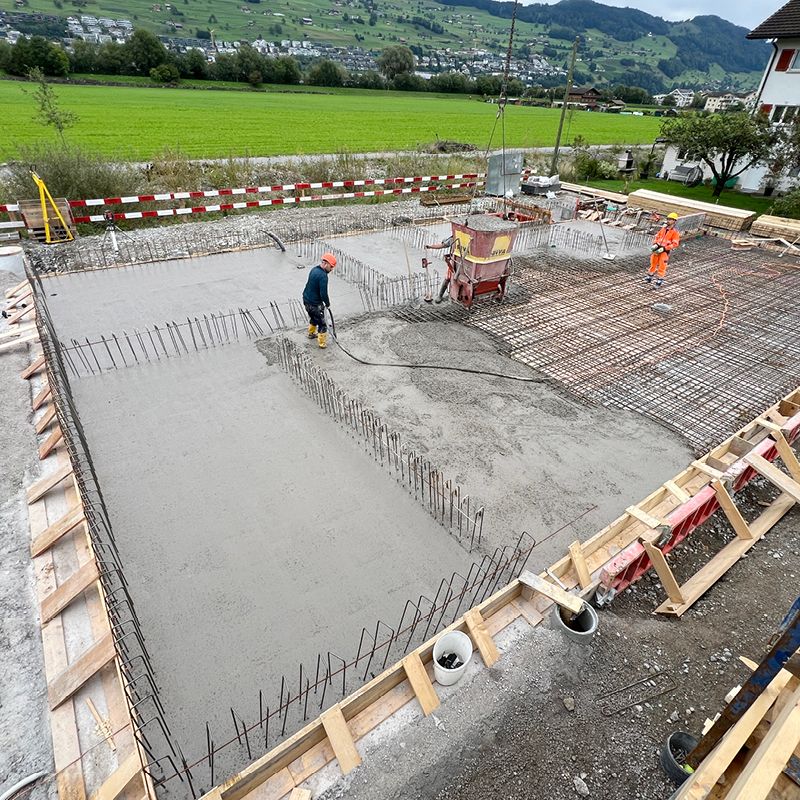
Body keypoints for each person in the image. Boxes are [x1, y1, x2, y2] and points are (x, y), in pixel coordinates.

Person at [302, 252, 337, 349]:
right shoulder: (323, 276)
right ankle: (322, 344)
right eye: (331, 266)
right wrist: (328, 304)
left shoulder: (314, 270)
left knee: (314, 318)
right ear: (326, 263)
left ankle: (311, 333)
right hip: (314, 304)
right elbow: (323, 294)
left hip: (306, 300)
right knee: (322, 323)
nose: (332, 269)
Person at [645, 212, 680, 288]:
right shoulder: (663, 229)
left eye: (670, 220)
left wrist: (665, 248)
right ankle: (649, 277)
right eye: (668, 219)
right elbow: (657, 236)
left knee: (662, 266)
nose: (668, 221)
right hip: (657, 249)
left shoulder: (675, 232)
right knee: (653, 263)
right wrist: (655, 244)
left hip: (664, 252)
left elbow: (675, 244)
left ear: (674, 221)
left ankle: (659, 281)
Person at [425, 233, 455, 303]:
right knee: (448, 277)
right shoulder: (453, 238)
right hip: (454, 261)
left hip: (465, 262)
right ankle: (440, 295)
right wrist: (430, 246)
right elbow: (442, 245)